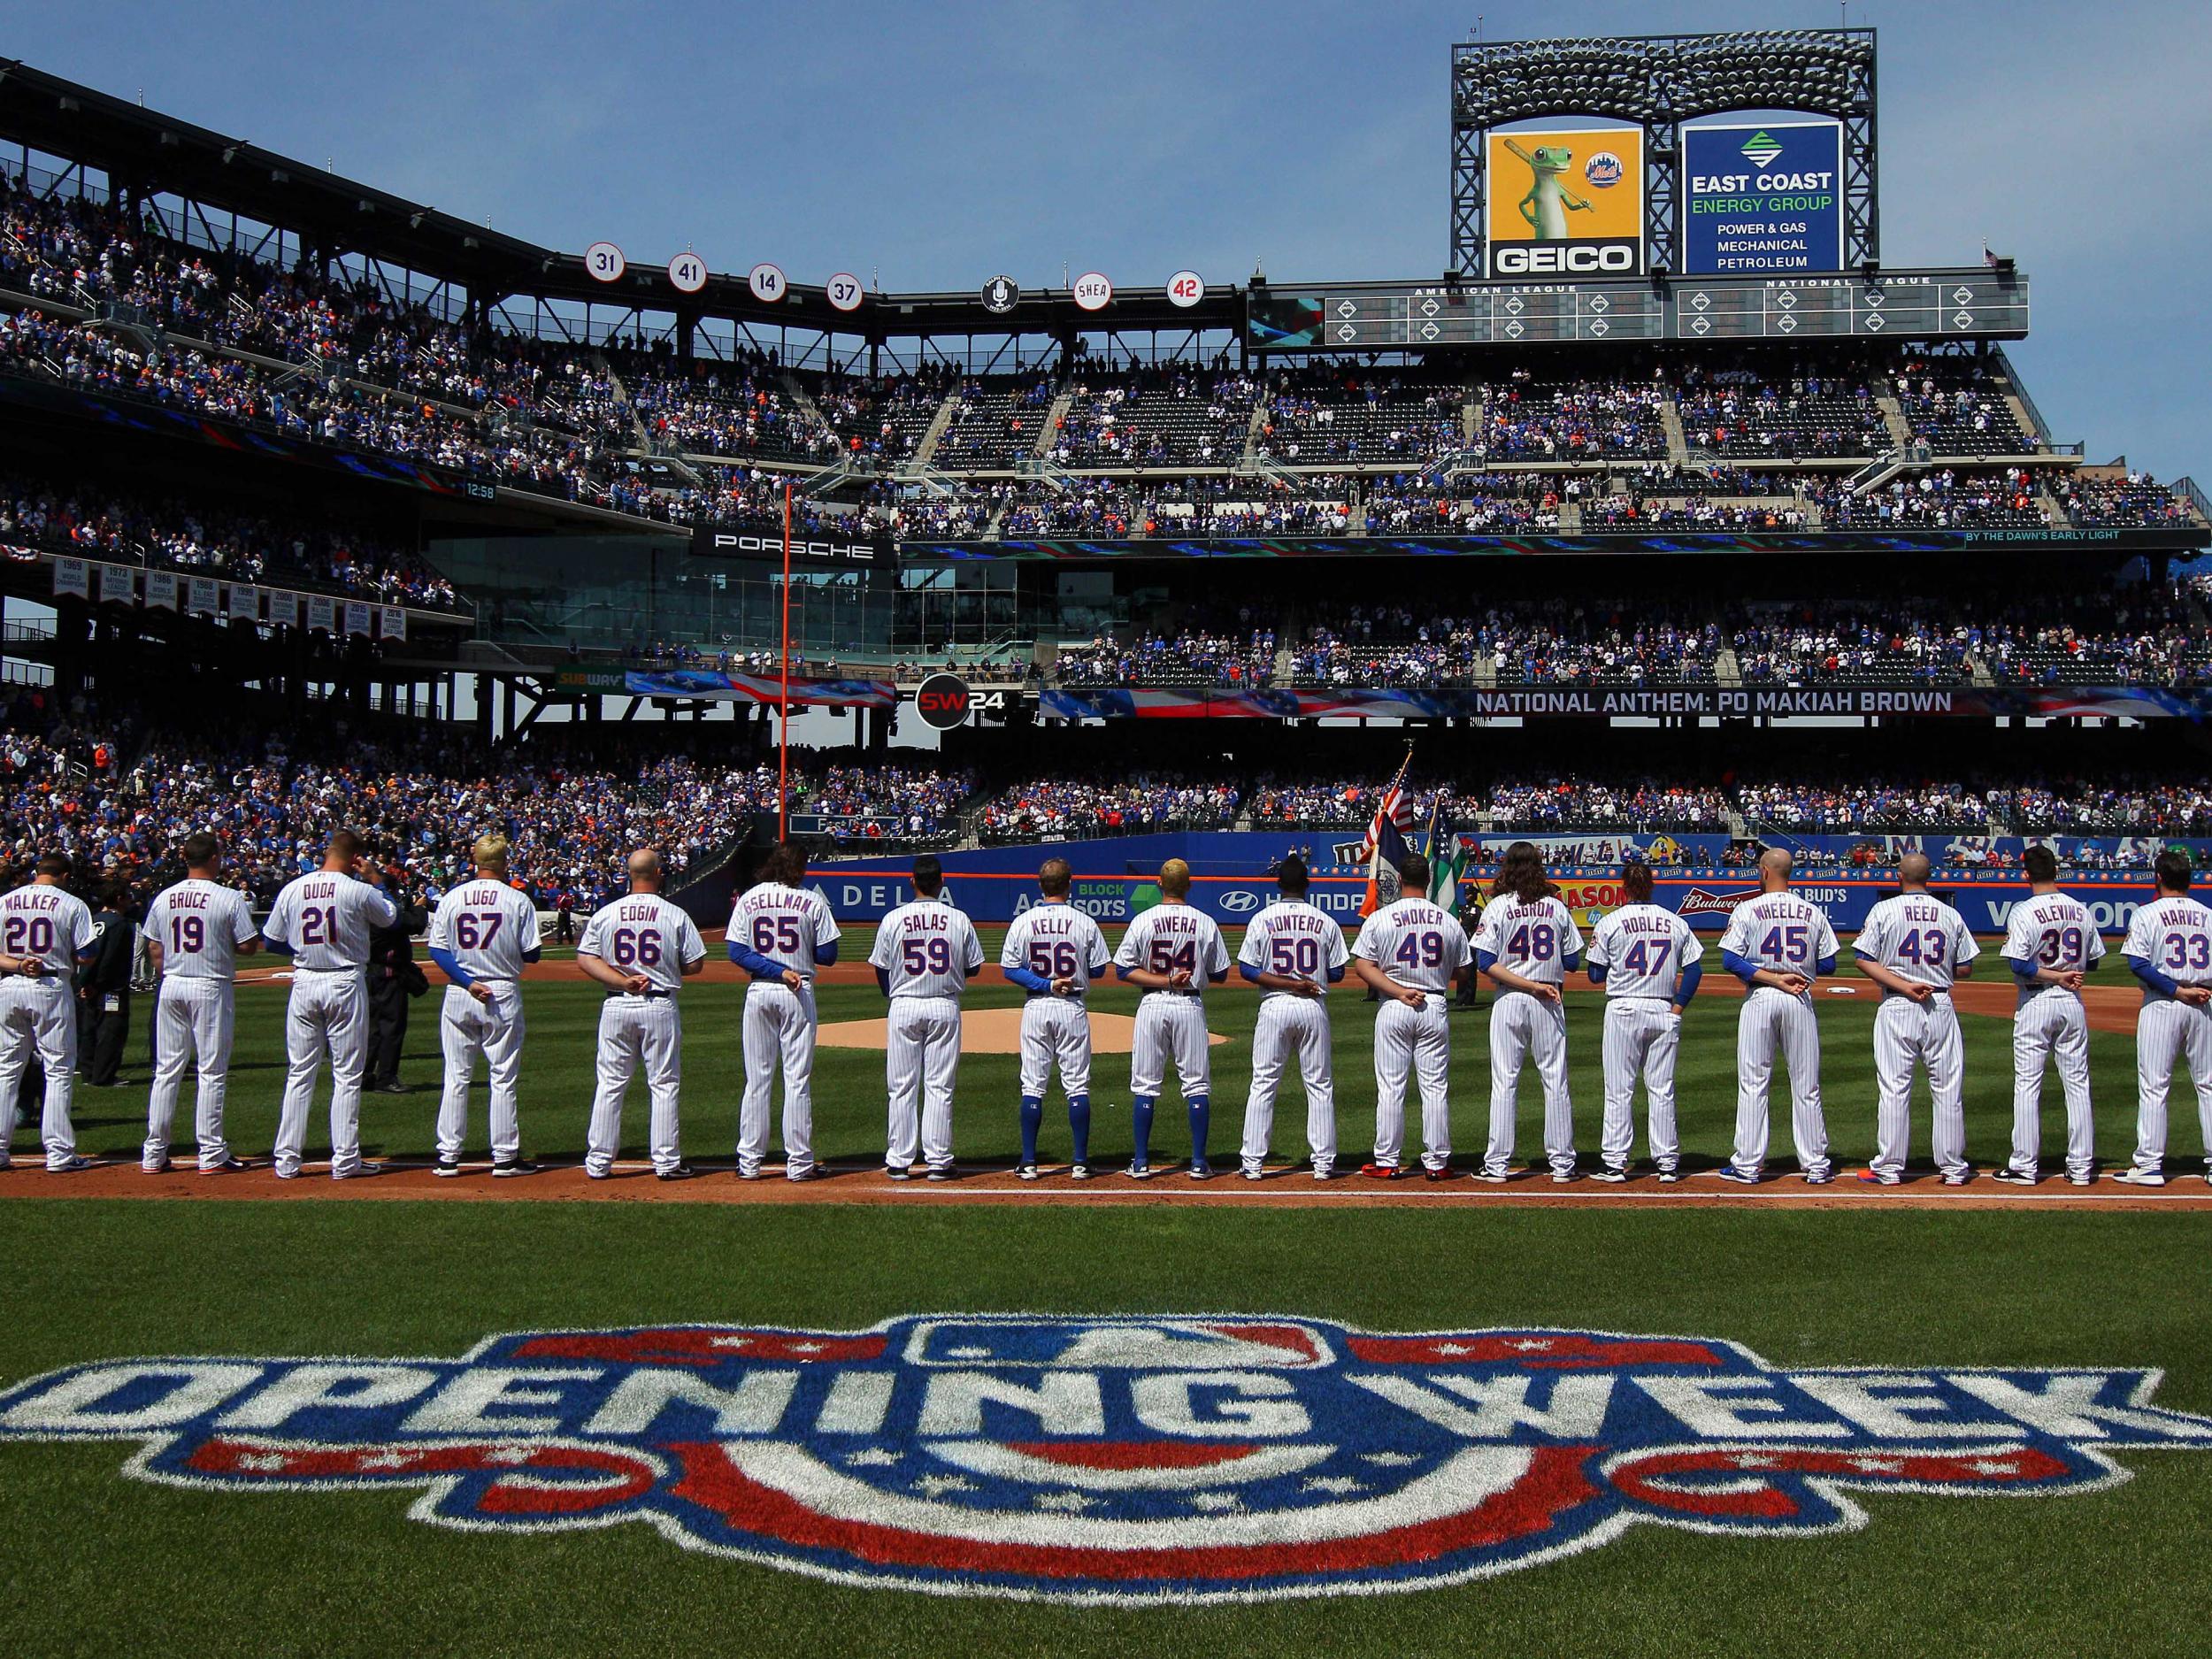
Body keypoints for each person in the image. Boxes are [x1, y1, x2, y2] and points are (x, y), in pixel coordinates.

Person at [263, 831, 401, 1180]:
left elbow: (272, 941)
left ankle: (287, 1161)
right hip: (343, 980)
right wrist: (374, 877)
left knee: (299, 1074)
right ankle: (345, 1159)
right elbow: (390, 918)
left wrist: (304, 949)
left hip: (305, 979)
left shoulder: (293, 888)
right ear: (356, 857)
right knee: (347, 1075)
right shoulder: (358, 889)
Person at [1851, 853, 1980, 1186]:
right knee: (1948, 1088)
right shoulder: (1950, 914)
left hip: (1898, 1005)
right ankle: (1952, 1168)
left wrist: (1905, 983)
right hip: (1939, 1003)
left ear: (1899, 876)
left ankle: (1889, 1168)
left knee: (1895, 1088)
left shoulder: (1884, 910)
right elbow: (1965, 967)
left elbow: (1864, 959)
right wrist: (1932, 973)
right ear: (1930, 876)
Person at [577, 849, 706, 1180]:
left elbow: (587, 959)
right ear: (659, 873)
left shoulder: (607, 913)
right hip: (658, 1004)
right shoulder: (674, 914)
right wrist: (663, 968)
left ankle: (598, 1162)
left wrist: (623, 980)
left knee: (610, 1083)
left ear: (628, 874)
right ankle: (666, 1162)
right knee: (663, 1084)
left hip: (616, 1003)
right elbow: (694, 964)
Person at [139, 833, 261, 1173]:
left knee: (166, 1071)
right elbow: (249, 945)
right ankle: (211, 1151)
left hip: (173, 983)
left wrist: (172, 971)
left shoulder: (165, 897)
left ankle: (154, 1151)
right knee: (211, 1071)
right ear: (213, 858)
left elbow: (154, 948)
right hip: (209, 984)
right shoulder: (228, 897)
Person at [1717, 848, 1839, 1185]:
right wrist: (1798, 970)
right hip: (1799, 997)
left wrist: (1772, 976)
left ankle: (1747, 1164)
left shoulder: (1748, 909)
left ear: (1764, 871)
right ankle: (1815, 1164)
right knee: (1806, 1085)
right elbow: (1828, 964)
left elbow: (1730, 960)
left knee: (1754, 1083)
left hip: (1762, 996)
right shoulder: (1812, 911)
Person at [425, 833, 543, 1178]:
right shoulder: (517, 900)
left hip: (460, 991)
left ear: (474, 859)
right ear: (505, 862)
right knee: (502, 1077)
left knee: (456, 1076)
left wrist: (467, 981)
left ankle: (448, 1156)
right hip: (501, 990)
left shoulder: (452, 897)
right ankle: (505, 1156)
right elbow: (531, 954)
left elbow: (438, 950)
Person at [1350, 852, 1472, 1180]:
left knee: (1391, 1087)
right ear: (1428, 881)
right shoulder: (1448, 920)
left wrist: (1398, 990)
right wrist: (1433, 977)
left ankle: (1388, 1161)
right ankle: (1437, 1162)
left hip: (1393, 1004)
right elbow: (1464, 972)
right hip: (1433, 1003)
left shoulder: (1381, 917)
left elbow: (1363, 965)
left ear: (1401, 880)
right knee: (1434, 1088)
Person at [1992, 844, 2104, 1187]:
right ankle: (2082, 1168)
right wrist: (2067, 971)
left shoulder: (2024, 911)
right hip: (2072, 1001)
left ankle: (2024, 1167)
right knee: (2078, 1084)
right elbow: (2095, 961)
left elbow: (2017, 963)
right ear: (2056, 871)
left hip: (2037, 1001)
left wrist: (2053, 973)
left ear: (2026, 874)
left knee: (2028, 1084)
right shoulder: (2079, 909)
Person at [1584, 860, 1703, 1182]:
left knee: (1619, 1089)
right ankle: (1667, 1163)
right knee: (1661, 1088)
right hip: (1663, 1009)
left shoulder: (1611, 922)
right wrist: (1678, 1008)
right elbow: (1694, 969)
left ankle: (1614, 1163)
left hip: (1623, 1008)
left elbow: (1595, 974)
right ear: (1651, 885)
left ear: (1624, 888)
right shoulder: (1674, 922)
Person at [727, 841, 841, 1180]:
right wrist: (791, 959)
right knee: (797, 1081)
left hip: (760, 991)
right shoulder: (811, 900)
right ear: (800, 868)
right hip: (797, 991)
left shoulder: (750, 898)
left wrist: (772, 968)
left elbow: (736, 951)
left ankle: (748, 1162)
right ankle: (800, 1164)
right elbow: (828, 954)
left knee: (757, 1080)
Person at [1472, 841, 1583, 1182]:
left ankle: (1497, 1166)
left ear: (1507, 868)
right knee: (1555, 1081)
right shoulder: (1556, 907)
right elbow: (1572, 962)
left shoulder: (1498, 907)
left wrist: (1524, 979)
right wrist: (1539, 976)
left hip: (1509, 999)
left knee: (1505, 1082)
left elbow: (1485, 962)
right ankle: (1563, 1164)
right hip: (1548, 999)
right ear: (1538, 867)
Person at [1112, 858, 1230, 1179]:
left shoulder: (1143, 920)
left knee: (1145, 1084)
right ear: (1188, 885)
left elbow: (1124, 970)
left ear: (1159, 884)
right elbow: (1219, 974)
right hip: (1189, 1005)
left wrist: (1162, 979)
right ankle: (1197, 1162)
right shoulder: (1204, 921)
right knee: (1196, 1084)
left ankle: (1140, 1161)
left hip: (1152, 1004)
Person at [869, 854, 984, 1180]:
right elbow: (973, 966)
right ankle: (938, 1161)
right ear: (942, 882)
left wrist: (893, 993)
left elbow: (880, 966)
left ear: (912, 881)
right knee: (939, 1086)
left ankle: (899, 1160)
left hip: (904, 1003)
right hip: (944, 1003)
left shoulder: (893, 918)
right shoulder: (958, 918)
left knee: (901, 1085)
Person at [1235, 855, 1348, 1180]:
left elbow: (1247, 969)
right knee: (1319, 1085)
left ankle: (1253, 1163)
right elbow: (1338, 972)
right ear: (1307, 885)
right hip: (1313, 1006)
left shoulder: (1262, 918)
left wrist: (1286, 980)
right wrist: (1308, 977)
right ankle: (1324, 1164)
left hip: (1274, 1007)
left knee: (1264, 1084)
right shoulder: (1325, 920)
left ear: (1279, 885)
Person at [999, 856, 1108, 1179]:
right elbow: (1100, 968)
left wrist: (1044, 983)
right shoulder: (1084, 921)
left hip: (1037, 1006)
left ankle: (1029, 1161)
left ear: (1040, 885)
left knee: (1033, 1083)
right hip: (1071, 1006)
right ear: (1069, 885)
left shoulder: (1023, 921)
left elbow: (1010, 968)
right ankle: (1079, 1162)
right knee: (1076, 1084)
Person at [2116, 849, 2212, 1187]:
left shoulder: (2147, 914)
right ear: (2190, 879)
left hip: (2162, 1003)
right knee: (2209, 1086)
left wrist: (2177, 990)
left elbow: (2138, 965)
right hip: (2204, 1003)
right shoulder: (2208, 915)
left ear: (2158, 878)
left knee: (2155, 1086)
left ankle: (2149, 1165)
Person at [0, 854, 98, 1172]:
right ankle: (59, 1153)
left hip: (10, 984)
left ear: (36, 872)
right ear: (65, 875)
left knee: (7, 1070)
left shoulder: (6, 900)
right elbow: (87, 955)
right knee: (57, 1070)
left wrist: (18, 963)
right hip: (51, 985)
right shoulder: (71, 903)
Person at [365, 872, 428, 1094]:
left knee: (371, 1029)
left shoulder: (361, 908)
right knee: (391, 1027)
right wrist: (419, 907)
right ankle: (386, 1077)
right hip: (388, 974)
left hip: (367, 973)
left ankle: (364, 1075)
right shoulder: (384, 914)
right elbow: (414, 924)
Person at [76, 881, 136, 1087]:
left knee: (89, 1028)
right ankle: (104, 1075)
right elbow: (110, 958)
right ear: (119, 899)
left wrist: (85, 982)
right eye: (127, 896)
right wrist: (99, 984)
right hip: (111, 987)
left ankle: (88, 1072)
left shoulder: (94, 920)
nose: (130, 900)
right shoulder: (120, 924)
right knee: (111, 1030)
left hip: (89, 982)